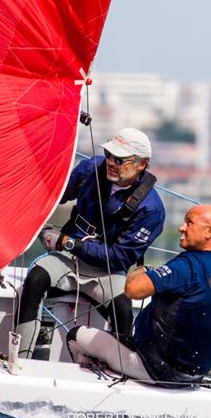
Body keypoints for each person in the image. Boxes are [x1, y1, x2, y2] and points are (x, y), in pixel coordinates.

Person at [15, 128, 165, 358]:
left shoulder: (151, 209)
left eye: (120, 159)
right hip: (68, 259)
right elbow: (54, 194)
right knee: (35, 279)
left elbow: (118, 258)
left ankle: (118, 369)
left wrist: (67, 243)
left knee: (123, 310)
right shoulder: (90, 169)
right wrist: (36, 217)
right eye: (108, 154)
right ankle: (19, 358)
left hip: (106, 270)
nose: (111, 162)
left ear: (141, 165)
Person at [66, 205, 211, 388]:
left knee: (75, 336)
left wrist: (142, 270)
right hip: (196, 373)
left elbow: (132, 290)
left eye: (189, 223)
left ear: (209, 231)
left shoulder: (188, 265)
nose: (181, 228)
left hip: (156, 369)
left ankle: (90, 393)